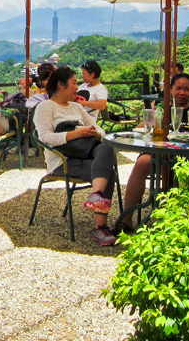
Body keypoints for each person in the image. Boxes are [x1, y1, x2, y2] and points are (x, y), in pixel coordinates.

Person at [121, 73, 189, 231]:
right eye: (178, 88)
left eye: (186, 89)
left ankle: (173, 217)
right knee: (141, 163)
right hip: (159, 151)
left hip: (186, 156)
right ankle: (126, 219)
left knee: (177, 168)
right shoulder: (162, 110)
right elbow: (144, 128)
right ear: (171, 90)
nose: (182, 92)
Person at [33, 66, 118, 246]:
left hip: (86, 152)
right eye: (73, 83)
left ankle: (96, 195)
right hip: (62, 161)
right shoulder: (45, 107)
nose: (77, 87)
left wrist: (93, 132)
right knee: (109, 173)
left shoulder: (77, 107)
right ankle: (100, 227)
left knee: (106, 149)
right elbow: (45, 138)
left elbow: (100, 129)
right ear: (61, 85)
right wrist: (77, 134)